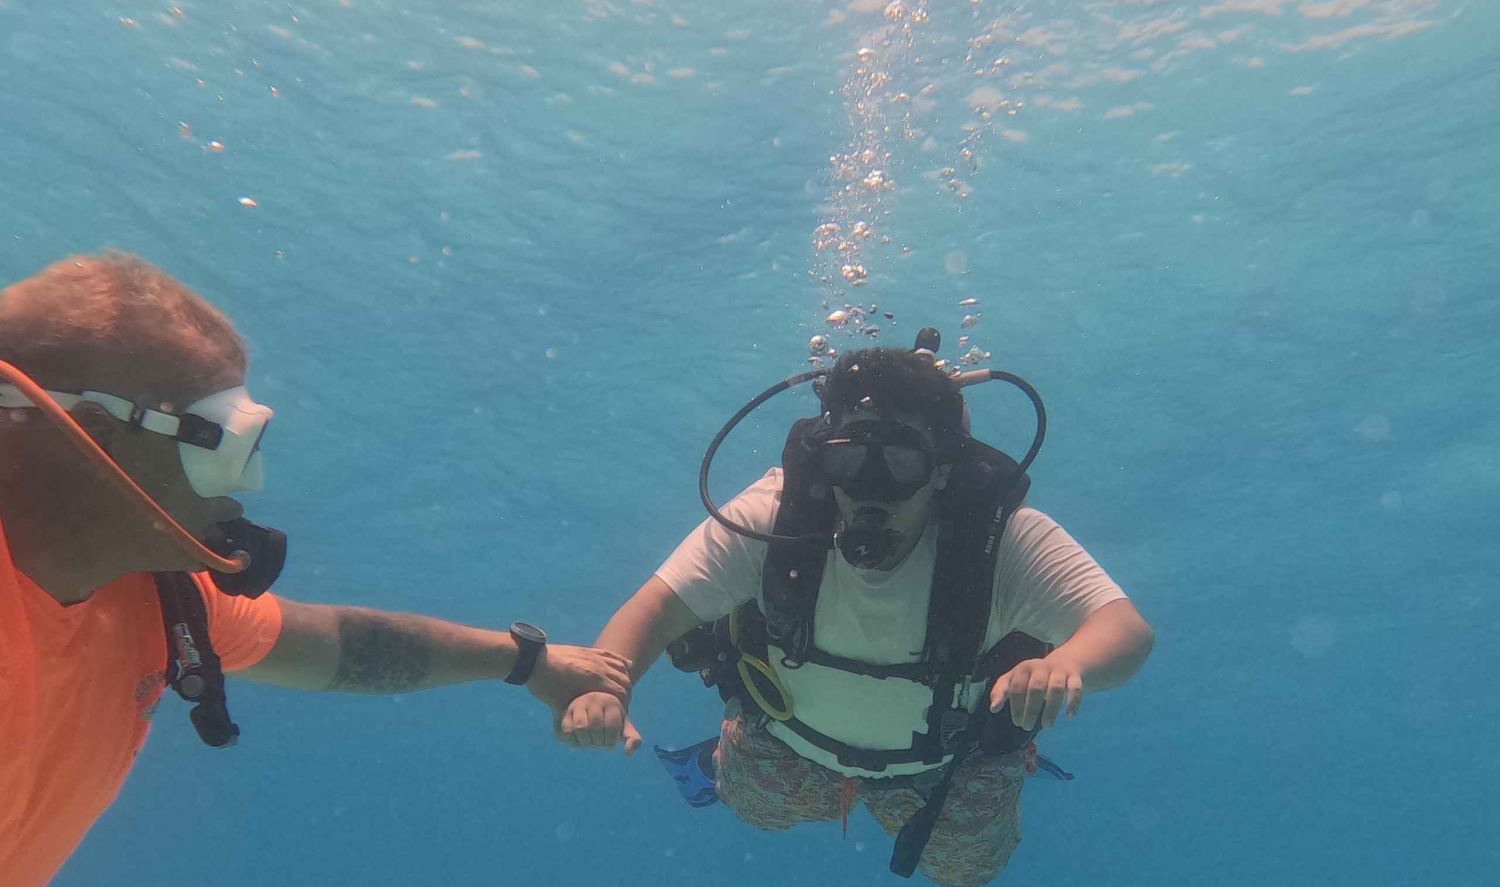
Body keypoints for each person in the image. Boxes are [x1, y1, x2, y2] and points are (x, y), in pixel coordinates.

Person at [0, 252, 633, 887]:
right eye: (227, 446)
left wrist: (526, 662)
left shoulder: (162, 599)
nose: (251, 481)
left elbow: (335, 644)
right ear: (93, 436)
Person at [557, 343, 1155, 885]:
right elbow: (658, 606)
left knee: (968, 870)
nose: (871, 489)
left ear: (943, 468)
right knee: (755, 808)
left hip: (947, 759)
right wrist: (608, 682)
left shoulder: (999, 540)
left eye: (900, 463)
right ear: (823, 460)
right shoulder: (773, 516)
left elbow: (1125, 630)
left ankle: (995, 764)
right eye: (849, 462)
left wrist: (1068, 662)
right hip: (791, 741)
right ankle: (743, 760)